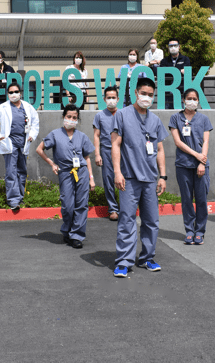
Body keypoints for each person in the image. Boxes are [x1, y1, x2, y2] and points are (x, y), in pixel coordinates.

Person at [111, 77, 168, 277]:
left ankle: (147, 258)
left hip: (150, 179)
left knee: (151, 221)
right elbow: (115, 145)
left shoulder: (155, 120)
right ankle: (124, 262)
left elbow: (160, 149)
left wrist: (163, 176)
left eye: (150, 95)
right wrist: (117, 172)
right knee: (127, 220)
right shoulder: (122, 115)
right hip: (129, 178)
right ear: (136, 93)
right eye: (143, 93)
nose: (147, 98)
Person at [36, 105, 96, 249]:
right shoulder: (55, 134)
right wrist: (52, 163)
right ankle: (67, 230)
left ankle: (76, 235)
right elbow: (39, 149)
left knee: (81, 204)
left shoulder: (82, 136)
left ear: (78, 120)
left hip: (81, 171)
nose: (71, 120)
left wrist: (91, 177)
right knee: (68, 205)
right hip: (65, 172)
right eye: (69, 117)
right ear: (63, 117)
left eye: (74, 118)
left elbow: (87, 157)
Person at [169, 89, 212, 245]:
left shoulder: (204, 119)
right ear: (183, 100)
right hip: (183, 165)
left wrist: (202, 162)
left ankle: (200, 231)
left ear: (198, 101)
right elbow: (178, 142)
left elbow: (206, 142)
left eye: (195, 98)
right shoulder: (175, 118)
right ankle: (189, 230)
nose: (192, 101)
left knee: (201, 200)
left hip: (201, 165)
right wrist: (197, 155)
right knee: (187, 199)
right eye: (189, 98)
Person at [0, 81, 39, 210]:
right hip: (9, 144)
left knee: (22, 171)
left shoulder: (27, 107)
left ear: (20, 93)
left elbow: (35, 123)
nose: (14, 94)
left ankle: (20, 197)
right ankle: (13, 200)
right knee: (11, 172)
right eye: (11, 92)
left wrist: (32, 135)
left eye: (16, 92)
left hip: (23, 143)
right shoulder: (2, 108)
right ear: (7, 94)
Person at [93, 86, 120, 221]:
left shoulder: (123, 114)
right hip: (106, 150)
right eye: (108, 98)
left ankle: (126, 208)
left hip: (122, 152)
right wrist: (97, 154)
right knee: (108, 179)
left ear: (118, 99)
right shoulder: (99, 115)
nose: (111, 100)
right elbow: (96, 136)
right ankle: (113, 209)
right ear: (104, 99)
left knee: (125, 178)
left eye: (113, 97)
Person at [160, 38, 191, 110]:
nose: (173, 48)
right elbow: (162, 74)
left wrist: (170, 70)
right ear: (168, 47)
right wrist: (180, 70)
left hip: (181, 92)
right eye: (171, 46)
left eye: (175, 45)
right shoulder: (164, 61)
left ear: (179, 47)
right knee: (167, 115)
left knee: (182, 114)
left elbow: (187, 73)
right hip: (168, 92)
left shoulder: (185, 59)